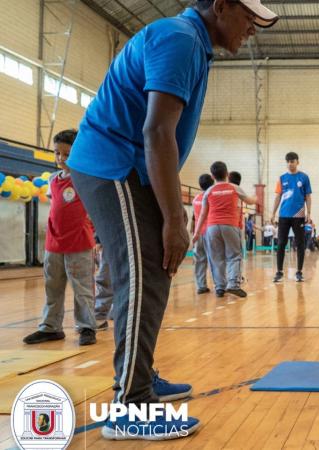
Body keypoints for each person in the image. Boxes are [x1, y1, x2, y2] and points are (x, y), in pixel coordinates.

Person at [65, 0, 279, 440]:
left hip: (129, 167)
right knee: (143, 272)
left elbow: (161, 134)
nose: (254, 28)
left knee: (155, 273)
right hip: (112, 165)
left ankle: (140, 376)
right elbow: (156, 132)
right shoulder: (180, 39)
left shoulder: (192, 43)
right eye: (249, 16)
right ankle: (131, 405)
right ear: (220, 6)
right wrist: (175, 221)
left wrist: (173, 218)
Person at [23, 129, 98, 347]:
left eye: (66, 154)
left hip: (79, 243)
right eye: (57, 153)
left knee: (82, 288)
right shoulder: (54, 180)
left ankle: (86, 326)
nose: (61, 158)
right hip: (54, 243)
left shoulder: (85, 178)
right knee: (52, 286)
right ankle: (51, 327)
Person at [193, 162, 256, 298]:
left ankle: (220, 287)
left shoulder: (208, 191)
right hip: (230, 225)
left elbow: (203, 214)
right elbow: (250, 201)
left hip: (211, 227)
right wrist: (256, 197)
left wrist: (197, 232)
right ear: (227, 174)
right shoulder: (234, 187)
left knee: (216, 258)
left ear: (212, 176)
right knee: (234, 255)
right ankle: (233, 284)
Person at [270, 152, 312, 283]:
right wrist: (273, 213)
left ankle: (299, 272)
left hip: (299, 215)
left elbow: (308, 197)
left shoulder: (304, 177)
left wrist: (308, 213)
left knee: (300, 244)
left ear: (297, 162)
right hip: (283, 216)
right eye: (288, 161)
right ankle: (279, 272)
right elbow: (277, 196)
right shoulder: (282, 178)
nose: (290, 163)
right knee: (281, 243)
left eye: (292, 161)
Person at [191, 173, 214, 294]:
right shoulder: (211, 198)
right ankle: (220, 285)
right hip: (210, 232)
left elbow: (195, 218)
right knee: (216, 259)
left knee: (200, 260)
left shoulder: (195, 199)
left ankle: (201, 286)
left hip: (198, 233)